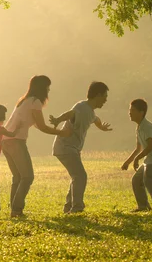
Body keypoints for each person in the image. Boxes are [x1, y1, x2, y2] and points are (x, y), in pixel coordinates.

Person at [2, 75, 70, 218]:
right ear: (42, 87)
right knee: (27, 177)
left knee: (18, 176)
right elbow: (42, 127)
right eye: (47, 87)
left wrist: (53, 128)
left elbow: (36, 124)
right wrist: (62, 133)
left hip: (5, 141)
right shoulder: (35, 102)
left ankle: (15, 210)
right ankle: (16, 209)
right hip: (16, 141)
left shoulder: (24, 101)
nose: (49, 90)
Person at [49, 81, 113, 213]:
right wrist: (57, 120)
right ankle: (77, 208)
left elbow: (96, 119)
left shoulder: (90, 111)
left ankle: (69, 207)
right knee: (80, 176)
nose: (106, 100)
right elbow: (70, 114)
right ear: (98, 95)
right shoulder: (82, 106)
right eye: (105, 96)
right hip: (65, 147)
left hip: (72, 148)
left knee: (76, 176)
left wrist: (102, 128)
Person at [121, 99, 152, 212]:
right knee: (136, 180)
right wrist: (127, 162)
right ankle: (143, 207)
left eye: (132, 110)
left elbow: (150, 146)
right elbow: (138, 148)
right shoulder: (139, 127)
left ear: (141, 112)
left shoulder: (147, 126)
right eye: (129, 110)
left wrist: (137, 159)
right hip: (149, 159)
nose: (129, 113)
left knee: (148, 180)